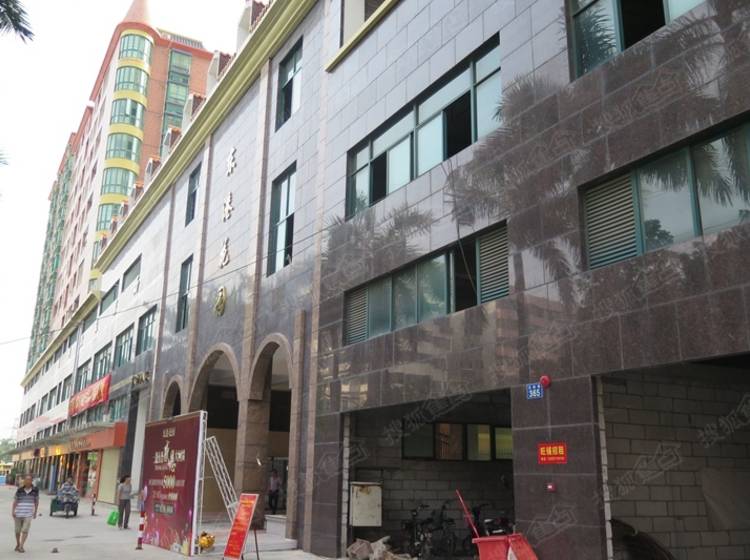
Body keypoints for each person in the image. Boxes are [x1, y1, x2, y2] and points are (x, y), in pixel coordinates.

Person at [12, 475, 38, 553]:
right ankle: (18, 543)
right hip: (18, 513)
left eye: (29, 480)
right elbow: (15, 501)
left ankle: (21, 546)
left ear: (31, 481)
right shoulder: (19, 490)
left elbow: (36, 502)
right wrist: (13, 511)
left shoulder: (35, 491)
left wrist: (35, 512)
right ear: (24, 481)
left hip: (28, 514)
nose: (27, 481)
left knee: (25, 530)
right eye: (26, 480)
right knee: (17, 531)